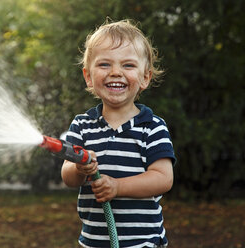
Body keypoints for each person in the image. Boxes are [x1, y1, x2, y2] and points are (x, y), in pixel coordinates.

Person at [61, 19, 176, 248]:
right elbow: (68, 176)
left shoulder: (152, 127)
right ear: (88, 76)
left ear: (145, 77)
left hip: (142, 243)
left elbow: (163, 178)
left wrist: (118, 187)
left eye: (128, 65)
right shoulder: (82, 125)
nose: (115, 72)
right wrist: (79, 167)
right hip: (94, 242)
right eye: (104, 64)